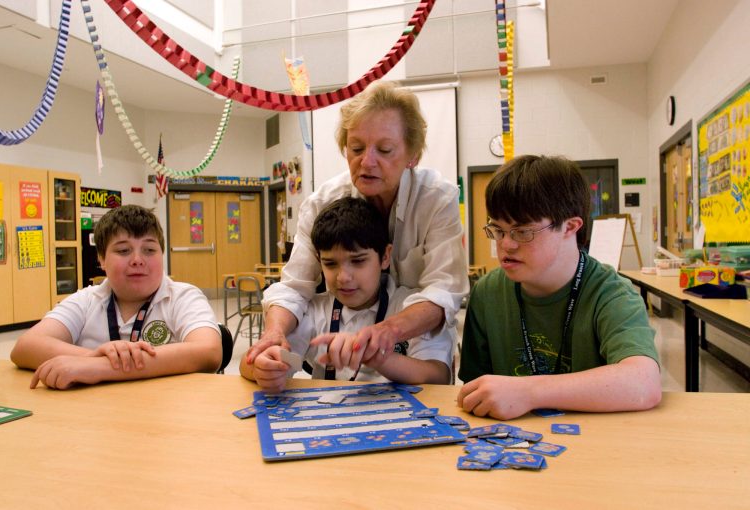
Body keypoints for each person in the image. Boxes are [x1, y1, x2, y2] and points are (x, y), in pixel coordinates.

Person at [247, 80, 468, 373]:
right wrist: (274, 333)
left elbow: (444, 292)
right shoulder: (321, 204)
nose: (367, 161)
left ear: (412, 156)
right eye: (356, 148)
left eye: (385, 149)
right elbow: (294, 288)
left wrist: (387, 330)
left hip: (413, 347)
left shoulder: (436, 200)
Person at [457, 155, 661, 420]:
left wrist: (530, 392)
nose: (505, 245)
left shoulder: (611, 293)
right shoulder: (487, 293)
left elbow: (644, 382)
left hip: (597, 443)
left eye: (523, 232)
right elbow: (475, 389)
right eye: (497, 230)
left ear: (570, 227)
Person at [240, 197, 454, 393]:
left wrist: (378, 358)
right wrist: (264, 368)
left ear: (385, 256)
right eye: (330, 264)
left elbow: (439, 376)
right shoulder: (314, 310)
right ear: (318, 260)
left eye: (358, 261)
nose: (343, 277)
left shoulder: (411, 309)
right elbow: (249, 364)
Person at [11, 205, 222, 389]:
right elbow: (24, 347)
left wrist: (101, 367)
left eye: (149, 249)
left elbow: (209, 352)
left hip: (166, 410)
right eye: (123, 251)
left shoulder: (182, 297)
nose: (138, 260)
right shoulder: (86, 300)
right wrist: (91, 358)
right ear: (101, 259)